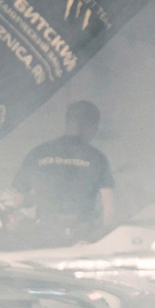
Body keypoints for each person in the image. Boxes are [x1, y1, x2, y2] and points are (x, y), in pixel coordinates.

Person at [18, 101, 115, 242]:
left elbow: (18, 199)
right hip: (82, 236)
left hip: (45, 235)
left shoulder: (38, 153)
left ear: (67, 122)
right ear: (91, 126)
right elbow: (109, 208)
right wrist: (103, 239)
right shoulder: (97, 158)